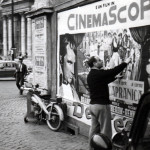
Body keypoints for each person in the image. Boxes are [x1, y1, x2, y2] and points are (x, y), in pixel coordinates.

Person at [87, 56, 131, 150]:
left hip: (93, 106)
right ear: (94, 64)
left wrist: (115, 78)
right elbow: (113, 70)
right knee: (105, 132)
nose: (101, 61)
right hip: (102, 106)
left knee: (94, 130)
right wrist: (125, 62)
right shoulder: (99, 73)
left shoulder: (91, 75)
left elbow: (104, 81)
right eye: (99, 60)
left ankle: (91, 147)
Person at [59, 34, 80, 102]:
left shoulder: (72, 88)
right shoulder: (58, 89)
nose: (73, 71)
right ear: (60, 60)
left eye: (74, 64)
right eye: (69, 63)